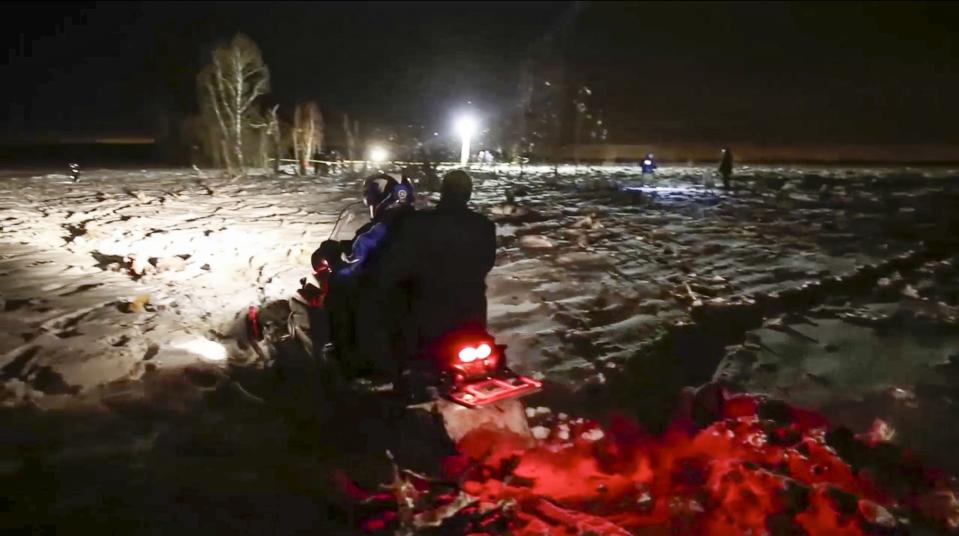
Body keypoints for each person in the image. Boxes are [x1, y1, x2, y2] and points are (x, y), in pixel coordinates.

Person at [377, 170, 497, 367]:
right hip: (472, 308)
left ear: (443, 191)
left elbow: (397, 263)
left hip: (428, 309)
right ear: (468, 194)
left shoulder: (420, 224)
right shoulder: (484, 225)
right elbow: (487, 262)